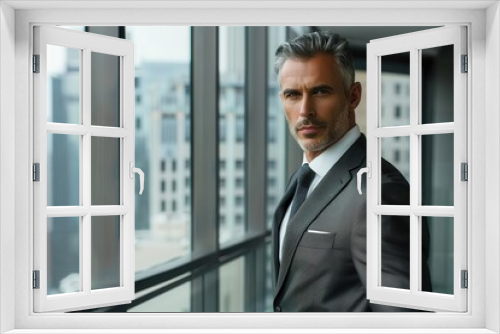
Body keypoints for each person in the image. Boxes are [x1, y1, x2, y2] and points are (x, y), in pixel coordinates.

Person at [272, 30, 431, 312]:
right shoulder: (302, 178)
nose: (305, 110)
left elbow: (405, 320)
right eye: (293, 95)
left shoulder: (381, 192)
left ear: (353, 96)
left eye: (320, 91)